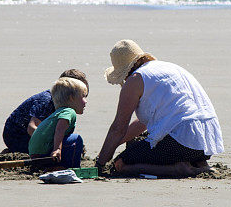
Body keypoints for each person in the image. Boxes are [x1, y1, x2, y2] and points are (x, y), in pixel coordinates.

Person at [95, 40, 223, 177]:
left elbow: (118, 128)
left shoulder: (135, 79)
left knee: (121, 164)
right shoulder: (168, 68)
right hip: (207, 141)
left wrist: (100, 163)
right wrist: (114, 145)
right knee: (138, 142)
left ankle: (179, 169)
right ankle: (198, 163)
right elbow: (143, 123)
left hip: (182, 142)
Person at [1, 69, 88, 154]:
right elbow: (31, 128)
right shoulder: (47, 100)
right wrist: (52, 145)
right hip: (17, 136)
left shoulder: (62, 104)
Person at [28, 77, 87, 168]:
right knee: (76, 139)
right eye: (83, 96)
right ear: (71, 98)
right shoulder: (69, 111)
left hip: (34, 154)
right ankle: (71, 167)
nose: (86, 101)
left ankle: (54, 165)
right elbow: (60, 129)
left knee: (68, 139)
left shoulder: (58, 112)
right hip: (45, 154)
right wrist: (57, 149)